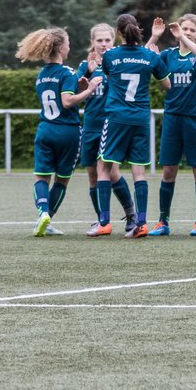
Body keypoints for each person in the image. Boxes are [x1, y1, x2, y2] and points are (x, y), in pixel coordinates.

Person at [92, 13, 171, 238]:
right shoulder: (149, 56)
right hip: (140, 118)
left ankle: (104, 222)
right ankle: (142, 223)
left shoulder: (110, 56)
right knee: (139, 171)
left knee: (104, 167)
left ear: (118, 33)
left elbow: (109, 75)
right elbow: (167, 85)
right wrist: (157, 59)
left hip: (116, 117)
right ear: (138, 29)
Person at [16, 27, 101, 236]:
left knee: (41, 177)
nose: (69, 46)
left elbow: (60, 94)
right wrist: (89, 90)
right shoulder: (68, 72)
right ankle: (48, 218)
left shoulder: (41, 75)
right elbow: (67, 101)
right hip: (68, 132)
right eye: (68, 43)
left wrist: (82, 82)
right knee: (62, 180)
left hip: (45, 130)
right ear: (62, 48)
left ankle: (42, 214)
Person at [146, 14, 196, 236]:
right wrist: (155, 37)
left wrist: (186, 39)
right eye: (183, 28)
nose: (186, 32)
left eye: (191, 30)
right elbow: (144, 57)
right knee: (168, 172)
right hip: (173, 118)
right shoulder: (168, 55)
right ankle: (163, 222)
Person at [75, 23, 114, 234]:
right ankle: (101, 218)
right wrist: (87, 78)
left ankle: (130, 215)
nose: (103, 44)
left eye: (107, 40)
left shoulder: (117, 63)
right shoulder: (85, 65)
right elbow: (75, 93)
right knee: (92, 174)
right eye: (99, 40)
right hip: (90, 125)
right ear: (93, 42)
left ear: (113, 41)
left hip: (111, 124)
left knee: (111, 173)